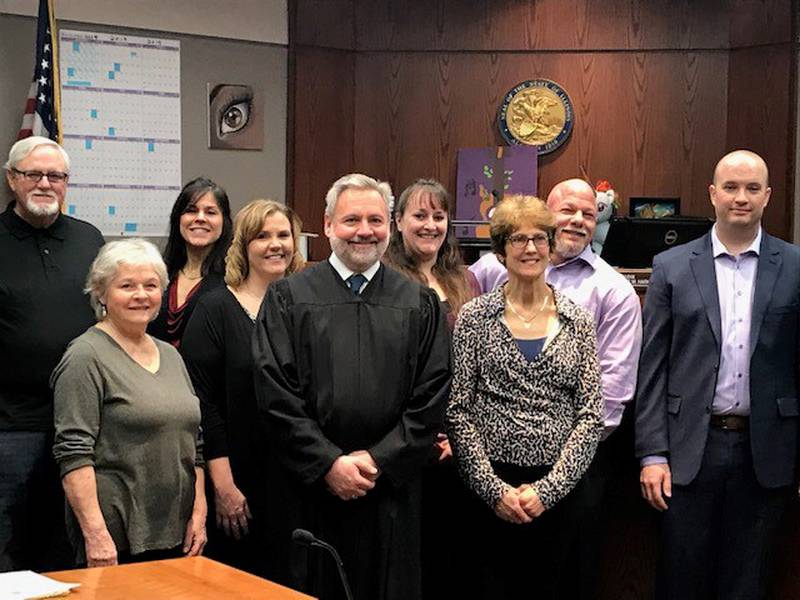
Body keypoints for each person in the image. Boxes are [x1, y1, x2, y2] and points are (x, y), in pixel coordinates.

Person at [253, 173, 451, 600]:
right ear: (327, 225)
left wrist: (379, 460)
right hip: (310, 492)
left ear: (390, 226)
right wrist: (328, 463)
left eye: (376, 220)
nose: (364, 231)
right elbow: (275, 393)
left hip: (391, 494)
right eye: (352, 220)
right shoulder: (288, 297)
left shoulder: (418, 301)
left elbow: (432, 393)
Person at [635, 150, 800, 600]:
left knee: (749, 584)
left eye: (751, 189)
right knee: (681, 580)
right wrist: (652, 454)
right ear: (712, 195)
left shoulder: (794, 265)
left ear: (767, 196)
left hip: (765, 453)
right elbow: (652, 367)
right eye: (730, 187)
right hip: (689, 450)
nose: (740, 198)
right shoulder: (671, 266)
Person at [468, 180, 642, 597]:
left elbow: (608, 400)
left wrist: (550, 483)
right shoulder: (491, 272)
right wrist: (493, 484)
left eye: (588, 213)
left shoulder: (611, 292)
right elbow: (463, 389)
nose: (578, 220)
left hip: (572, 472)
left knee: (565, 582)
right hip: (495, 474)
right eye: (568, 210)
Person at [446, 195, 603, 600]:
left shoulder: (578, 320)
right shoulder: (474, 318)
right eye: (517, 239)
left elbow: (590, 416)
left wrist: (548, 490)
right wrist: (493, 490)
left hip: (559, 493)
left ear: (551, 247)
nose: (530, 248)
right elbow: (460, 410)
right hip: (489, 493)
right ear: (500, 252)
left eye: (539, 238)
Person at [52, 239, 206, 567]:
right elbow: (73, 454)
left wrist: (199, 511)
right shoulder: (84, 357)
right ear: (101, 293)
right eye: (126, 285)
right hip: (115, 537)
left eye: (150, 285)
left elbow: (197, 443)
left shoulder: (170, 354)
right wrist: (95, 534)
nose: (141, 295)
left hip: (177, 532)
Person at [182, 199, 304, 576]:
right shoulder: (214, 307)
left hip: (300, 476)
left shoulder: (309, 307)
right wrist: (223, 486)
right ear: (243, 245)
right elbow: (202, 403)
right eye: (262, 236)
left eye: (284, 235)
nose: (275, 244)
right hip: (237, 477)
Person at [0, 136, 104, 572]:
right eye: (33, 174)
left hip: (81, 421)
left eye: (56, 176)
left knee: (70, 542)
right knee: (9, 542)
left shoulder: (90, 239)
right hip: (11, 424)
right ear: (12, 180)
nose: (45, 183)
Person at [382, 178, 479, 597]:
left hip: (459, 446)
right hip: (407, 441)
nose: (429, 225)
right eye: (419, 216)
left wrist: (459, 435)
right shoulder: (385, 280)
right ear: (398, 221)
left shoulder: (465, 281)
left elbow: (477, 363)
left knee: (454, 560)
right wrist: (423, 435)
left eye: (438, 216)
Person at [148, 177, 233, 347]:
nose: (200, 218)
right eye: (191, 210)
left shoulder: (233, 280)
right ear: (178, 218)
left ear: (224, 222)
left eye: (210, 212)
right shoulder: (157, 274)